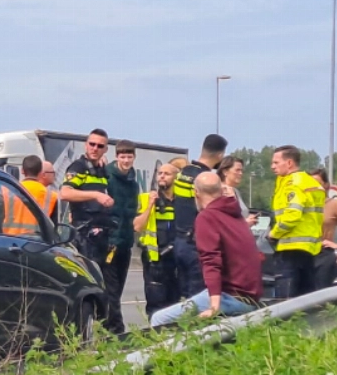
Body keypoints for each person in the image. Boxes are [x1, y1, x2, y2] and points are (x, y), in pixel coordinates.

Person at [149, 172, 262, 327]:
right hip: (250, 297)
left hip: (229, 297)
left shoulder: (207, 217)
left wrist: (214, 306)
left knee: (159, 319)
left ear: (196, 193)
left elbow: (211, 261)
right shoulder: (235, 215)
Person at [173, 134, 228, 298]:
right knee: (198, 296)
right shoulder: (207, 179)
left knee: (183, 296)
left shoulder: (183, 173)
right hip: (196, 244)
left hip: (179, 241)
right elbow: (211, 211)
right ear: (220, 155)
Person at [268, 145, 326, 298]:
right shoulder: (311, 183)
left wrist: (274, 234)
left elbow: (293, 214)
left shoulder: (292, 183)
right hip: (310, 249)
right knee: (305, 300)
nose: (272, 166)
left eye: (276, 162)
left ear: (289, 163)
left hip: (289, 247)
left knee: (285, 302)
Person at [59, 129, 116, 271]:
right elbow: (65, 193)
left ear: (106, 149)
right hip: (84, 235)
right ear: (86, 145)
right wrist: (96, 195)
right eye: (92, 144)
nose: (95, 148)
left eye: (100, 146)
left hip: (102, 237)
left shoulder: (101, 170)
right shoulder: (79, 167)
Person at [101, 141, 140, 333]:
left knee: (118, 289)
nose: (126, 160)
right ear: (117, 157)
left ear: (134, 157)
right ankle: (115, 330)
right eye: (122, 157)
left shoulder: (134, 183)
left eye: (129, 157)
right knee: (111, 290)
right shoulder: (107, 176)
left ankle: (108, 326)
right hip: (109, 243)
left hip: (125, 242)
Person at [134, 163, 180, 317]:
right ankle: (156, 337)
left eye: (167, 173)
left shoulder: (183, 202)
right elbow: (138, 226)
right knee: (156, 305)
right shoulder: (146, 198)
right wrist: (150, 206)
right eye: (160, 173)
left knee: (177, 303)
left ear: (176, 177)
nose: (161, 176)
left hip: (177, 260)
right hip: (155, 260)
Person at [216, 155, 257, 227]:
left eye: (241, 171)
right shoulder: (219, 192)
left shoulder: (236, 192)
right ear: (225, 172)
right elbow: (221, 222)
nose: (241, 173)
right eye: (237, 170)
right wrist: (244, 223)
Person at [19, 155, 58, 221]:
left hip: (6, 231)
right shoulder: (51, 196)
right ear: (40, 172)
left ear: (22, 171)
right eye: (53, 173)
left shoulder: (8, 189)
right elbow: (53, 226)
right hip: (37, 231)